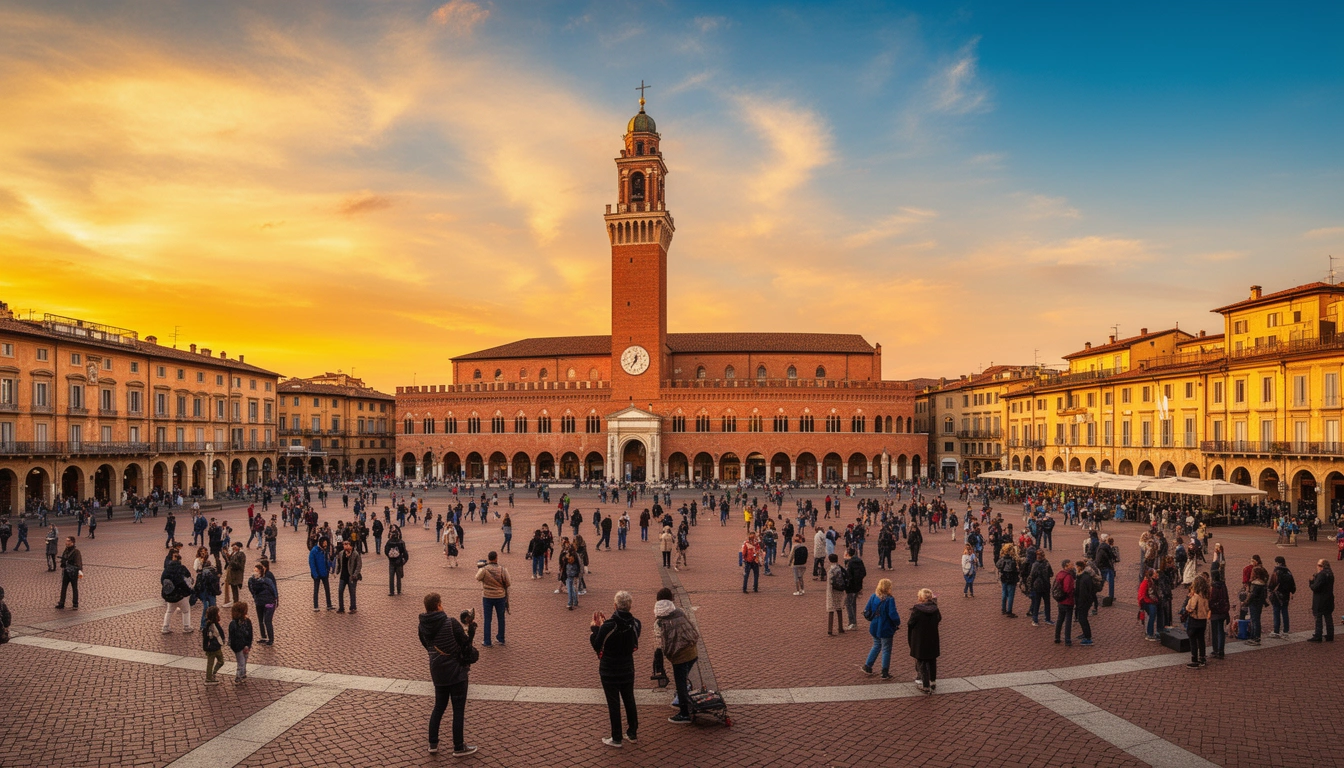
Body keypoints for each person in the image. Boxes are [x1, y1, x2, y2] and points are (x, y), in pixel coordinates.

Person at [419, 592, 478, 757]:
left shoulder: (422, 626)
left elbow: (426, 645)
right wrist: (471, 633)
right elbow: (465, 646)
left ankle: (433, 743)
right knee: (458, 709)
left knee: (439, 706)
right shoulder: (450, 623)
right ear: (438, 605)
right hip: (456, 672)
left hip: (437, 671)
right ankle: (458, 746)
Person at [591, 591, 641, 748]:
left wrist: (595, 629)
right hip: (627, 667)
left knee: (613, 703)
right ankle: (632, 732)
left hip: (609, 669)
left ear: (615, 605)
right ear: (630, 606)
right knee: (629, 699)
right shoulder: (636, 623)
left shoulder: (608, 626)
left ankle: (616, 737)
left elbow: (597, 645)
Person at [654, 587, 699, 724]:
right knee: (683, 679)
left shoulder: (659, 621)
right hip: (692, 651)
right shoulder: (679, 612)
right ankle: (683, 697)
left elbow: (659, 644)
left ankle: (684, 714)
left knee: (680, 683)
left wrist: (658, 663)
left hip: (679, 656)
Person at [861, 578, 901, 679]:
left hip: (874, 625)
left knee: (876, 645)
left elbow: (867, 609)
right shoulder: (890, 599)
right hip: (885, 626)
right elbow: (892, 614)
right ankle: (884, 671)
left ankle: (868, 665)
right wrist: (897, 622)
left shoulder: (873, 596)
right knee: (886, 649)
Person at [907, 588, 941, 692]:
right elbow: (939, 619)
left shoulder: (917, 609)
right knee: (932, 660)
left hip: (920, 639)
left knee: (921, 661)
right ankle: (933, 681)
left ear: (921, 598)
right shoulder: (935, 609)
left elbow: (910, 623)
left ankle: (925, 685)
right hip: (932, 638)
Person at [475, 551, 510, 647]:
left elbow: (477, 577)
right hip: (500, 596)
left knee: (487, 619)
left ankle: (487, 641)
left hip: (487, 596)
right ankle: (501, 638)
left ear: (489, 558)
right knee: (501, 618)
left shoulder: (484, 569)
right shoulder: (502, 569)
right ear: (496, 558)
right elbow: (508, 582)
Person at [160, 551, 194, 633]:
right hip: (181, 594)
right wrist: (189, 591)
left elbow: (162, 580)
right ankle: (186, 626)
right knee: (186, 611)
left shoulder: (167, 569)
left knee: (169, 611)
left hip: (170, 594)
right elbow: (187, 579)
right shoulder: (182, 568)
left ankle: (165, 627)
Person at [1183, 572, 1210, 667]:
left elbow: (1190, 608)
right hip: (1203, 620)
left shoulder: (1195, 596)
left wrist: (1189, 600)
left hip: (1195, 619)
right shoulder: (1206, 596)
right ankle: (1202, 658)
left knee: (1193, 639)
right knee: (1201, 639)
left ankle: (1194, 659)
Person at [1267, 555, 1296, 639]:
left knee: (1276, 612)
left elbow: (1272, 584)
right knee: (1285, 612)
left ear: (1277, 562)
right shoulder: (1288, 571)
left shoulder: (1277, 571)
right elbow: (1293, 585)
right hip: (1285, 595)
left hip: (1277, 595)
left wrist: (1270, 590)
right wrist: (1291, 592)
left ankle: (1276, 631)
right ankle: (1285, 631)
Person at [248, 563, 278, 645]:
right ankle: (263, 636)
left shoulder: (267, 580)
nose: (255, 572)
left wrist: (275, 599)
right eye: (254, 570)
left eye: (256, 571)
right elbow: (252, 590)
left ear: (261, 571)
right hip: (259, 602)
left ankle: (271, 639)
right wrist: (255, 597)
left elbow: (274, 590)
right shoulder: (251, 580)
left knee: (267, 620)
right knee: (260, 620)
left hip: (268, 603)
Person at [1307, 559, 1335, 642]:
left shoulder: (1321, 575)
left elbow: (1315, 587)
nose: (1317, 567)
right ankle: (1330, 635)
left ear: (1322, 566)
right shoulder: (1331, 573)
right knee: (1328, 617)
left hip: (1320, 600)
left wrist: (1311, 582)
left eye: (1319, 565)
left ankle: (1318, 635)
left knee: (1318, 618)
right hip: (1329, 598)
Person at [1209, 565, 1231, 659]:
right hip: (1223, 610)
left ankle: (1216, 650)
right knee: (1221, 630)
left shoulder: (1213, 587)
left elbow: (1212, 599)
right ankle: (1221, 650)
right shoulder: (1223, 585)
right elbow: (1226, 597)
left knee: (1215, 631)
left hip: (1215, 611)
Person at [227, 601, 253, 684]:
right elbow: (233, 637)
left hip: (245, 645)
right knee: (241, 662)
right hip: (238, 646)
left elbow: (250, 634)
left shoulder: (247, 621)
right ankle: (238, 676)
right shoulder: (233, 623)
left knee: (244, 660)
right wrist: (239, 647)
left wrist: (248, 645)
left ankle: (243, 674)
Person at [334, 540, 362, 613]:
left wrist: (355, 575)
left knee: (352, 592)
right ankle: (341, 608)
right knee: (340, 591)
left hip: (351, 576)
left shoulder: (355, 554)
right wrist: (337, 572)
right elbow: (339, 563)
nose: (345, 545)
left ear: (351, 546)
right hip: (343, 576)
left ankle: (353, 607)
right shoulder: (341, 553)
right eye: (344, 544)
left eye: (347, 544)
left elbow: (359, 565)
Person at [1073, 559, 1097, 645]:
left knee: (1082, 619)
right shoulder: (1084, 576)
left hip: (1083, 602)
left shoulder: (1083, 578)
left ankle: (1088, 637)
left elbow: (1083, 593)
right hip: (1085, 601)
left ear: (1079, 567)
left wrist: (1079, 603)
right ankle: (1085, 634)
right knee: (1083, 618)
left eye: (1076, 566)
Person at [1027, 550, 1054, 626]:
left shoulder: (1035, 564)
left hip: (1037, 586)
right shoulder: (1047, 563)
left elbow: (1032, 576)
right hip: (1046, 585)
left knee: (1036, 603)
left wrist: (1030, 586)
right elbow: (1051, 574)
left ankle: (1035, 620)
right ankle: (1048, 619)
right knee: (1047, 603)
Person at [843, 547, 866, 630]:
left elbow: (849, 575)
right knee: (853, 603)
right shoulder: (859, 561)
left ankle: (852, 622)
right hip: (857, 586)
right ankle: (854, 622)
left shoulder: (850, 563)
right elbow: (864, 572)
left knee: (849, 604)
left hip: (851, 587)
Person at [202, 605, 226, 685]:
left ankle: (212, 673)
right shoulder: (209, 626)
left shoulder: (213, 624)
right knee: (211, 663)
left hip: (217, 647)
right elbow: (206, 638)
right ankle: (209, 678)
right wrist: (206, 647)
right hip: (212, 648)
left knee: (220, 661)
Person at [56, 536, 82, 609]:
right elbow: (63, 560)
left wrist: (78, 570)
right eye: (66, 541)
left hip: (73, 572)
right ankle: (61, 603)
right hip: (66, 571)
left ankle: (75, 603)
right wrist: (63, 562)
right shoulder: (66, 550)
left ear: (72, 542)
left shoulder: (76, 551)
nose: (66, 542)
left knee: (74, 588)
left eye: (68, 541)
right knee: (63, 587)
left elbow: (78, 562)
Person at [1053, 559, 1075, 646]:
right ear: (1066, 566)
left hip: (1060, 600)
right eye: (1071, 564)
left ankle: (1057, 637)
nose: (1072, 565)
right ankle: (1067, 639)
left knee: (1060, 619)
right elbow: (1068, 589)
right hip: (1068, 600)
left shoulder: (1059, 574)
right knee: (1068, 621)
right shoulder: (1068, 576)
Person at [1245, 566, 1269, 645]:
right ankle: (1253, 637)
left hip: (1254, 603)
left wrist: (1246, 602)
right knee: (1256, 620)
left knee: (1255, 620)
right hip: (1259, 603)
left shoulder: (1255, 584)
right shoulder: (1263, 583)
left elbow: (1252, 595)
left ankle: (1256, 638)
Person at [309, 539, 334, 611]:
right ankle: (316, 606)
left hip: (324, 572)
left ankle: (329, 605)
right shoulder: (314, 551)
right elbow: (312, 563)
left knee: (327, 589)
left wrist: (329, 568)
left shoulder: (325, 551)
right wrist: (315, 574)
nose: (325, 546)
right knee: (316, 590)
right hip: (317, 574)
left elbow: (327, 560)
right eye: (324, 544)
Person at [997, 544, 1020, 618]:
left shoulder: (1002, 559)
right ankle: (1009, 611)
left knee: (1004, 593)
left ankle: (1003, 609)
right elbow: (1015, 570)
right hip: (1011, 579)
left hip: (1004, 578)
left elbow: (997, 565)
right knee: (1010, 595)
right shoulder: (1012, 560)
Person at [826, 553, 847, 635]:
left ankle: (830, 630)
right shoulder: (840, 568)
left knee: (831, 609)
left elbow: (830, 582)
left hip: (832, 591)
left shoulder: (831, 570)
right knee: (839, 608)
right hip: (840, 590)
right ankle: (840, 627)